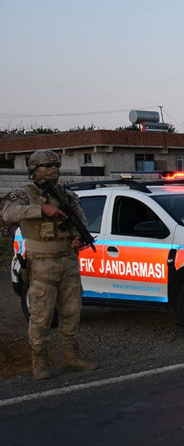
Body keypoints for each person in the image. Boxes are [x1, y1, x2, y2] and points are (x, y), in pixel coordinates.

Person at [1, 150, 97, 380]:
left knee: (72, 311)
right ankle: (39, 361)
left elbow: (82, 223)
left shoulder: (68, 196)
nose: (52, 171)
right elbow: (7, 214)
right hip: (42, 262)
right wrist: (41, 209)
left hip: (68, 260)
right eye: (46, 167)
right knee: (41, 314)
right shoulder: (24, 194)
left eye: (55, 166)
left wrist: (80, 237)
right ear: (34, 170)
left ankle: (71, 354)